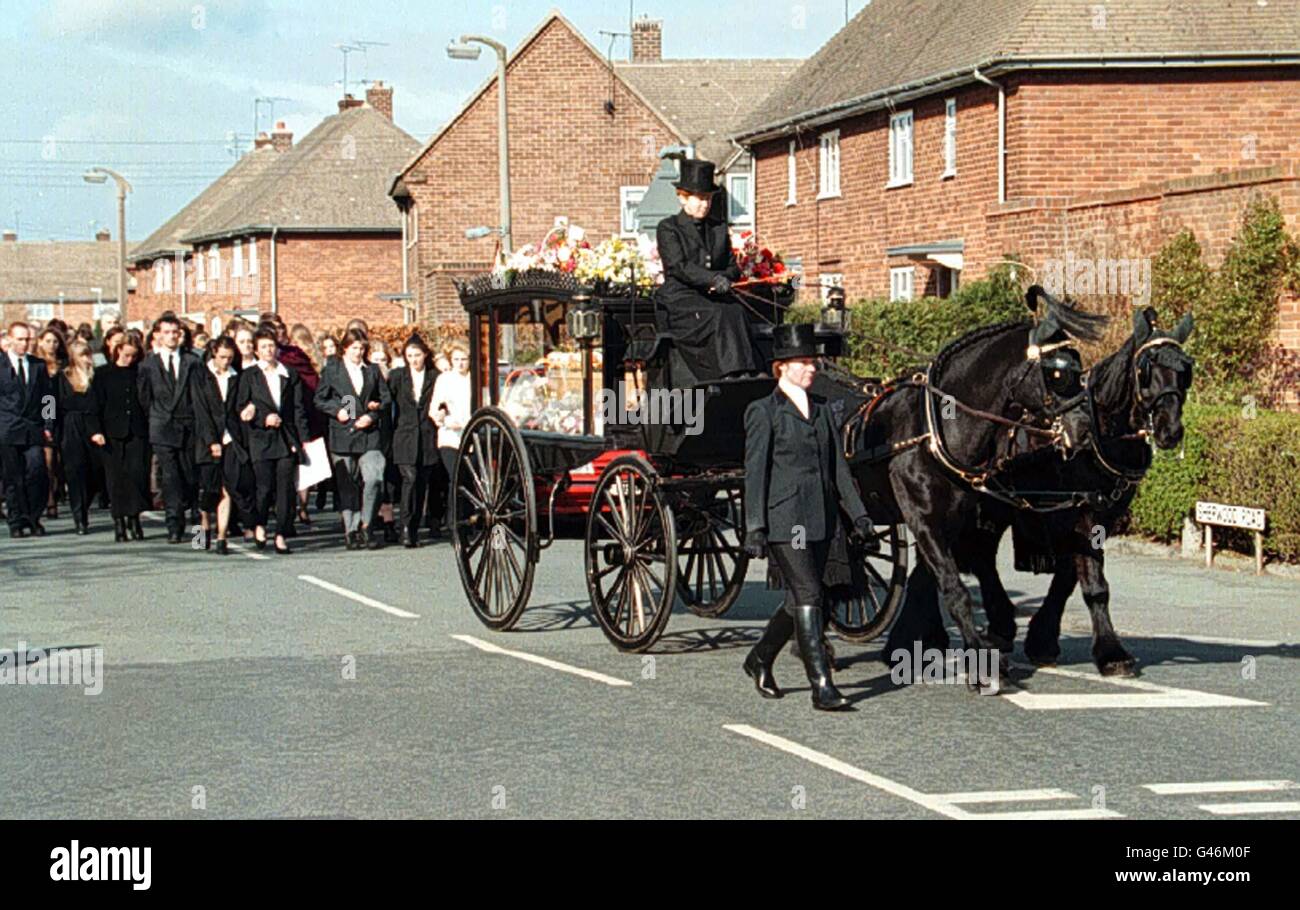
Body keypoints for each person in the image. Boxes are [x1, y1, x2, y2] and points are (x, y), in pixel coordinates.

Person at [741, 323, 872, 712]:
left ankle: (759, 658)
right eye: (803, 362)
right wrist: (754, 527)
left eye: (813, 362)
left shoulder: (821, 412)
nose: (812, 368)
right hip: (787, 522)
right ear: (782, 367)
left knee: (796, 600)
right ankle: (822, 686)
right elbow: (755, 471)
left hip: (822, 517)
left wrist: (860, 516)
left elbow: (838, 470)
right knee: (810, 593)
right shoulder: (763, 412)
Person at [654, 157, 758, 381]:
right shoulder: (668, 228)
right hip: (681, 297)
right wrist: (712, 279)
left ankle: (747, 371)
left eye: (709, 199)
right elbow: (678, 266)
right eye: (700, 199)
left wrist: (725, 278)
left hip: (715, 295)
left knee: (737, 311)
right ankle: (727, 372)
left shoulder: (718, 227)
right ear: (682, 198)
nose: (705, 204)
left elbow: (732, 265)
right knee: (718, 314)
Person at [315, 328, 390, 550]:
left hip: (369, 433)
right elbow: (320, 399)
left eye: (361, 348)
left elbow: (385, 399)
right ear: (345, 348)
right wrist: (337, 410)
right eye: (354, 348)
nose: (358, 352)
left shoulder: (373, 370)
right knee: (347, 484)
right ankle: (351, 529)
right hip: (344, 432)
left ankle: (367, 524)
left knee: (374, 477)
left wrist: (372, 414)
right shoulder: (333, 370)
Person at [236, 328, 308, 555]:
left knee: (286, 488)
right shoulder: (249, 376)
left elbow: (298, 409)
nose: (268, 350)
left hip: (286, 439)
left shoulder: (289, 375)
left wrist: (302, 439)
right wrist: (262, 418)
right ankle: (259, 524)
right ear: (256, 351)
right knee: (264, 487)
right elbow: (241, 408)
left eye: (271, 346)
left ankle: (281, 534)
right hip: (261, 439)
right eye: (263, 347)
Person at [137, 313, 202, 544]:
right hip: (163, 427)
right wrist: (157, 418)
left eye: (175, 332)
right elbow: (144, 399)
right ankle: (174, 525)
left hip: (188, 426)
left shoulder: (192, 361)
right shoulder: (148, 365)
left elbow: (198, 396)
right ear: (157, 335)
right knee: (171, 478)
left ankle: (198, 528)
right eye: (166, 332)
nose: (172, 337)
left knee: (192, 478)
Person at [192, 336, 250, 555]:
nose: (226, 362)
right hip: (206, 441)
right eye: (222, 357)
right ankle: (202, 531)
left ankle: (221, 537)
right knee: (207, 492)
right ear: (213, 353)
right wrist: (211, 441)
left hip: (230, 440)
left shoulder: (237, 377)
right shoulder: (200, 376)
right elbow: (200, 411)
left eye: (230, 358)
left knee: (228, 487)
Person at [91, 329, 150, 542]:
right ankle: (118, 521)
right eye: (126, 355)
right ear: (116, 350)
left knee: (136, 475)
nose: (130, 359)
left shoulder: (140, 373)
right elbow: (95, 405)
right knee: (115, 479)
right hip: (111, 432)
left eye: (134, 356)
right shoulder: (102, 374)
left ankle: (134, 518)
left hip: (136, 431)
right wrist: (95, 430)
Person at [1, 322, 56, 537]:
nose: (24, 343)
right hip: (7, 429)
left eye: (27, 339)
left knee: (37, 471)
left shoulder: (38, 365)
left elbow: (48, 398)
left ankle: (34, 517)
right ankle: (16, 520)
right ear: (10, 340)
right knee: (13, 477)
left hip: (33, 429)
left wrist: (48, 424)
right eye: (20, 339)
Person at [387, 333, 440, 547]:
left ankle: (415, 526)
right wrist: (354, 416)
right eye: (409, 355)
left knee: (421, 482)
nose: (414, 360)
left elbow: (444, 400)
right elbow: (382, 401)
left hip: (427, 436)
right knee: (409, 478)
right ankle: (405, 527)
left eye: (417, 355)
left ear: (425, 355)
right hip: (404, 435)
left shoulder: (435, 376)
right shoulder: (398, 376)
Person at [55, 339, 101, 534]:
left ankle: (86, 502)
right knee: (75, 472)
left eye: (88, 354)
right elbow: (50, 400)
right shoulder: (63, 376)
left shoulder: (95, 377)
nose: (87, 359)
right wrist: (49, 425)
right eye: (82, 355)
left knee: (95, 471)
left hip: (92, 425)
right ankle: (79, 517)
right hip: (70, 425)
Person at [431, 342, 471, 532]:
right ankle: (454, 521)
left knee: (470, 478)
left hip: (472, 435)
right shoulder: (444, 379)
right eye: (456, 360)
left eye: (464, 359)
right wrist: (442, 418)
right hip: (450, 435)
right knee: (456, 476)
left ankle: (469, 518)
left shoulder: (475, 378)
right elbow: (435, 407)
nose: (460, 364)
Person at [36, 326, 68, 519]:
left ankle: (58, 491)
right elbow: (47, 398)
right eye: (48, 341)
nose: (52, 345)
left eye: (55, 341)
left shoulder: (64, 364)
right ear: (40, 342)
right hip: (46, 414)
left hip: (64, 414)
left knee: (61, 463)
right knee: (48, 461)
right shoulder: (37, 364)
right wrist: (47, 423)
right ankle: (50, 500)